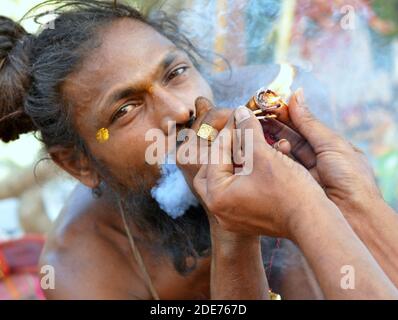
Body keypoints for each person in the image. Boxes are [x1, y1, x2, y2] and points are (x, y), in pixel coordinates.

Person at [0, 0, 396, 299]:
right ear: (77, 163)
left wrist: (337, 202)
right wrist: (233, 226)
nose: (180, 109)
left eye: (175, 73)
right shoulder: (80, 268)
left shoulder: (275, 101)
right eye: (125, 110)